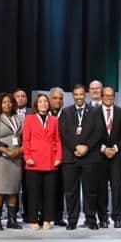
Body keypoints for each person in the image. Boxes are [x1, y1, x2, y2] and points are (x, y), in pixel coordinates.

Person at [57, 84, 102, 230]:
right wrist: (75, 148)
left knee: (90, 191)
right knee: (71, 192)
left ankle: (91, 220)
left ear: (85, 95)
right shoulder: (66, 112)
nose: (78, 97)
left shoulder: (95, 111)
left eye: (81, 94)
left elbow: (98, 132)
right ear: (73, 96)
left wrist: (86, 147)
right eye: (76, 94)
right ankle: (72, 220)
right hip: (71, 157)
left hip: (90, 157)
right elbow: (63, 133)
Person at [22, 93, 62, 229]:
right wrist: (27, 157)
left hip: (51, 160)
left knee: (49, 193)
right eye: (40, 101)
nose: (43, 104)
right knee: (34, 193)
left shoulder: (54, 120)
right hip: (33, 160)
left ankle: (47, 220)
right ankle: (33, 220)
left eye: (45, 101)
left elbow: (58, 140)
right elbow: (26, 140)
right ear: (36, 105)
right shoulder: (29, 119)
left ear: (48, 104)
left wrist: (58, 157)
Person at [0, 92, 24, 230]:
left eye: (10, 102)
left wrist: (19, 151)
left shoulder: (18, 118)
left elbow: (24, 137)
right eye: (4, 102)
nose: (7, 104)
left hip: (16, 157)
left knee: (14, 188)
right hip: (0, 158)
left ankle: (12, 220)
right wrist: (7, 151)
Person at [96, 86, 121, 228]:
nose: (108, 98)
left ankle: (117, 218)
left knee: (116, 187)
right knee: (101, 187)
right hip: (100, 156)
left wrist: (115, 148)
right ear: (101, 97)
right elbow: (91, 134)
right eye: (106, 95)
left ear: (114, 97)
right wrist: (103, 149)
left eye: (111, 95)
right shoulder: (94, 112)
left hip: (116, 155)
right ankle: (103, 218)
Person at [49, 86, 67, 226]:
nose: (57, 101)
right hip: (46, 156)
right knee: (46, 188)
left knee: (60, 188)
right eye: (55, 98)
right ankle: (45, 215)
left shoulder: (67, 114)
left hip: (64, 157)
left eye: (60, 98)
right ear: (50, 99)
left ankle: (58, 217)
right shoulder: (44, 114)